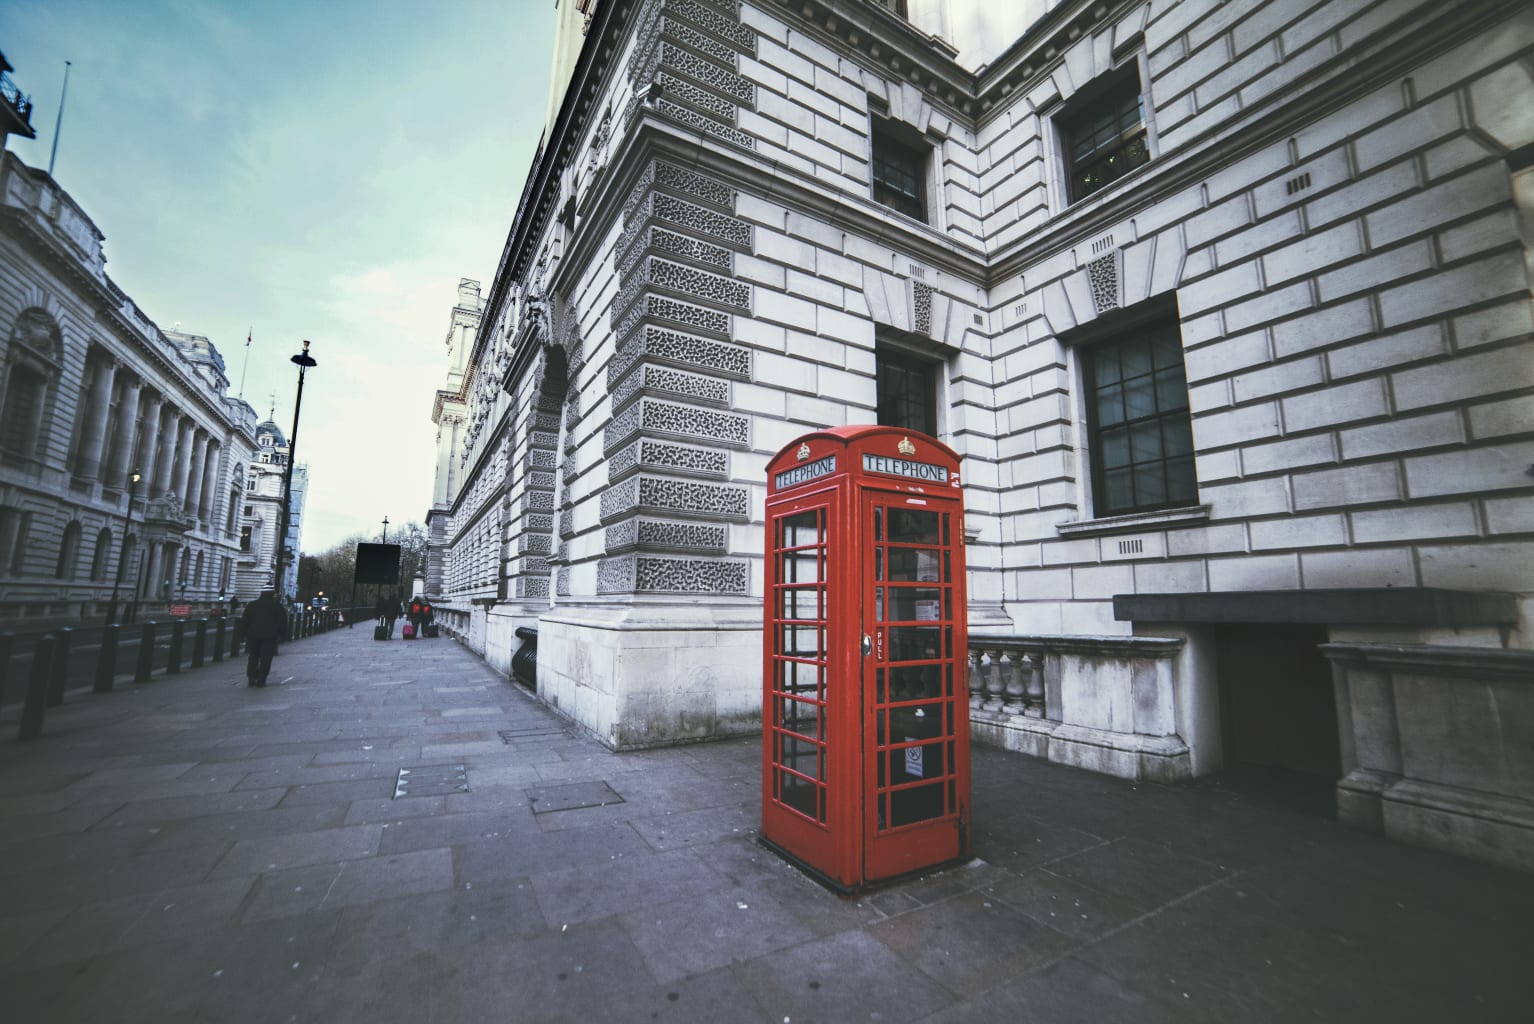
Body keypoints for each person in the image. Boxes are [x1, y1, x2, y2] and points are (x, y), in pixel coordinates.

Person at [240, 588, 287, 688]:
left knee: (253, 656)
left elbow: (245, 621)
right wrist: (284, 635)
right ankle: (262, 679)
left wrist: (242, 635)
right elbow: (282, 622)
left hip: (253, 635)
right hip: (270, 636)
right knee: (266, 657)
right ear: (272, 595)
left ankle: (251, 677)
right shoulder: (277, 606)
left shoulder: (252, 605)